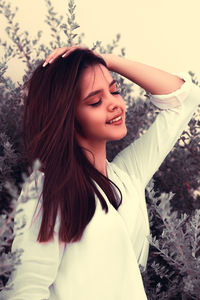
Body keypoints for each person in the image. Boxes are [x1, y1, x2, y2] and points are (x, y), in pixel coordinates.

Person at [1, 45, 200, 300]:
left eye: (114, 90)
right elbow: (26, 289)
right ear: (67, 116)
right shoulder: (49, 188)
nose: (114, 104)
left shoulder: (127, 176)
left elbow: (185, 99)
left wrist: (105, 61)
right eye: (95, 101)